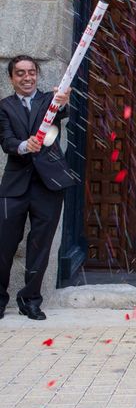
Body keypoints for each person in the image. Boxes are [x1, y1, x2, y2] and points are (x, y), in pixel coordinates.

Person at [0, 55, 76, 320]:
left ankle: (30, 300)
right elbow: (7, 141)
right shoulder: (4, 107)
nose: (27, 77)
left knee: (40, 246)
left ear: (37, 75)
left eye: (31, 72)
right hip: (15, 187)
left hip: (49, 185)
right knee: (4, 244)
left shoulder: (49, 101)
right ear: (11, 78)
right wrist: (24, 146)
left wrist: (63, 100)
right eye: (20, 73)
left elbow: (62, 111)